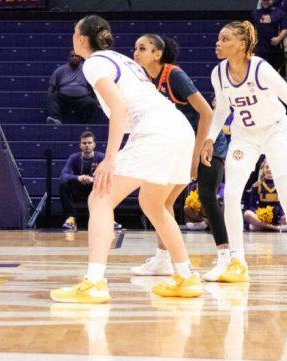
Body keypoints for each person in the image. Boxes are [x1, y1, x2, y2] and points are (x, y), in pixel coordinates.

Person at [49, 16, 199, 304]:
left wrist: (111, 158)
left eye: (74, 33)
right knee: (153, 205)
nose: (72, 37)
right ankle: (185, 276)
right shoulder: (119, 59)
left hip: (155, 131)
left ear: (82, 39)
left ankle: (94, 282)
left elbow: (119, 108)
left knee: (100, 198)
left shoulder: (93, 63)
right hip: (178, 129)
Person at [204, 20, 287, 285]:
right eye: (218, 39)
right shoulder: (218, 73)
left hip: (275, 131)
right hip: (244, 135)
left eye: (224, 40)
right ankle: (237, 262)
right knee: (230, 195)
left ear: (241, 45)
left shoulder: (261, 69)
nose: (217, 44)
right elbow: (222, 109)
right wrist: (210, 137)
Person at [130, 34, 217, 278]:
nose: (136, 53)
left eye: (142, 48)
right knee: (163, 204)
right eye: (135, 48)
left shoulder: (174, 75)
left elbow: (206, 113)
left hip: (195, 144)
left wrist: (196, 153)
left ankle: (184, 262)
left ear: (158, 54)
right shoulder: (145, 78)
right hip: (173, 145)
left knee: (161, 203)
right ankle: (164, 259)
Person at [58, 131, 104, 231]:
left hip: (94, 188)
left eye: (89, 143)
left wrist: (93, 179)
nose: (87, 145)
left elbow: (110, 174)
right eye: (84, 143)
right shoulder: (74, 157)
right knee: (63, 184)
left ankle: (105, 219)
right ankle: (70, 219)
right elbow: (63, 175)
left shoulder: (101, 157)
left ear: (94, 144)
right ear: (80, 145)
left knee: (105, 183)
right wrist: (78, 178)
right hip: (78, 189)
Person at [46, 53, 99, 125]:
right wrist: (49, 97)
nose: (74, 58)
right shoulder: (60, 70)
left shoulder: (86, 70)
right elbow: (52, 87)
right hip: (64, 98)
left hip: (81, 98)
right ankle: (55, 119)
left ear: (80, 58)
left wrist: (96, 100)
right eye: (72, 56)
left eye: (76, 56)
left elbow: (92, 87)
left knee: (92, 103)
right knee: (52, 97)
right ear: (69, 58)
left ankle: (85, 124)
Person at [251, 0, 287, 75]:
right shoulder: (255, 13)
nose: (265, 1)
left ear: (272, 0)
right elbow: (252, 29)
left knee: (273, 74)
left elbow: (285, 29)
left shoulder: (280, 13)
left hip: (274, 50)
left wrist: (278, 39)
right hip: (259, 50)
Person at [242, 159, 285, 232]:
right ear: (263, 169)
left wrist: (280, 214)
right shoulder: (256, 185)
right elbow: (251, 205)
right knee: (247, 214)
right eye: (267, 167)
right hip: (261, 219)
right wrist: (261, 214)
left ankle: (264, 227)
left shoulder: (282, 185)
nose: (269, 169)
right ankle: (272, 228)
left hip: (278, 218)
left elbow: (285, 204)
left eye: (272, 167)